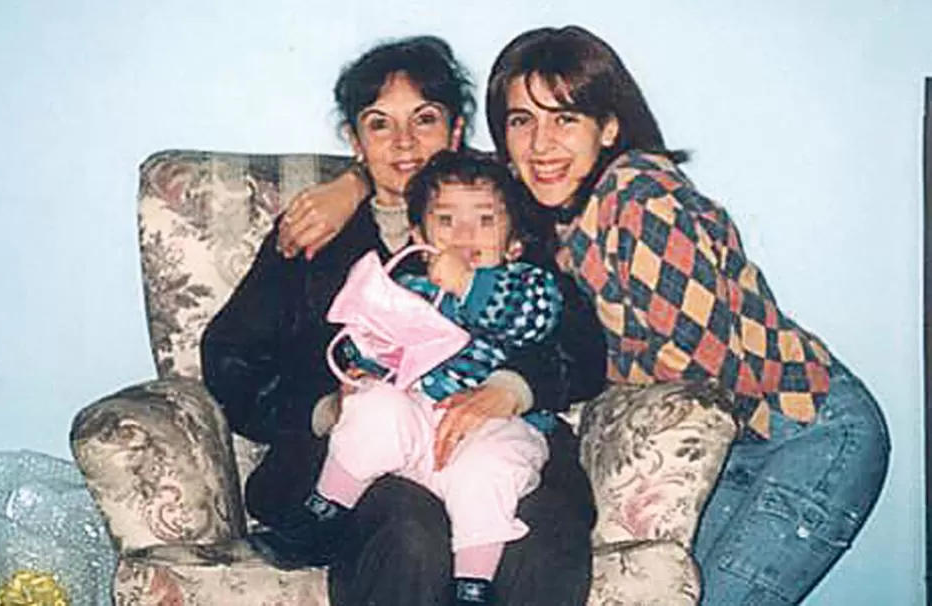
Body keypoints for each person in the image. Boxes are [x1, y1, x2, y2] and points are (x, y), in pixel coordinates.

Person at [280, 25, 892, 606]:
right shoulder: (545, 201)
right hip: (735, 446)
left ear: (608, 127)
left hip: (807, 430)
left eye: (565, 119)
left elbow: (699, 367)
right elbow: (431, 173)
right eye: (522, 121)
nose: (541, 144)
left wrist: (526, 383)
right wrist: (353, 183)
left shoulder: (641, 197)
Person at [201, 35, 606, 606]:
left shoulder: (498, 217)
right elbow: (230, 356)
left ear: (456, 130)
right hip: (363, 452)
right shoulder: (317, 228)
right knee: (411, 530)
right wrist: (326, 407)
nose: (405, 143)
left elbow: (579, 344)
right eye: (380, 125)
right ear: (354, 140)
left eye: (425, 119)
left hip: (496, 439)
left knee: (541, 536)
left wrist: (510, 389)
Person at [277, 149, 582, 606]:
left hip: (493, 429)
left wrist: (468, 284)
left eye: (484, 221)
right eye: (446, 221)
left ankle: (472, 584)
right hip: (418, 423)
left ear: (514, 243)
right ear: (418, 236)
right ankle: (324, 513)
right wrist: (365, 362)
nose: (463, 236)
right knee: (374, 407)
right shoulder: (408, 289)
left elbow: (531, 321)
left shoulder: (528, 285)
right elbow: (371, 339)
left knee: (488, 473)